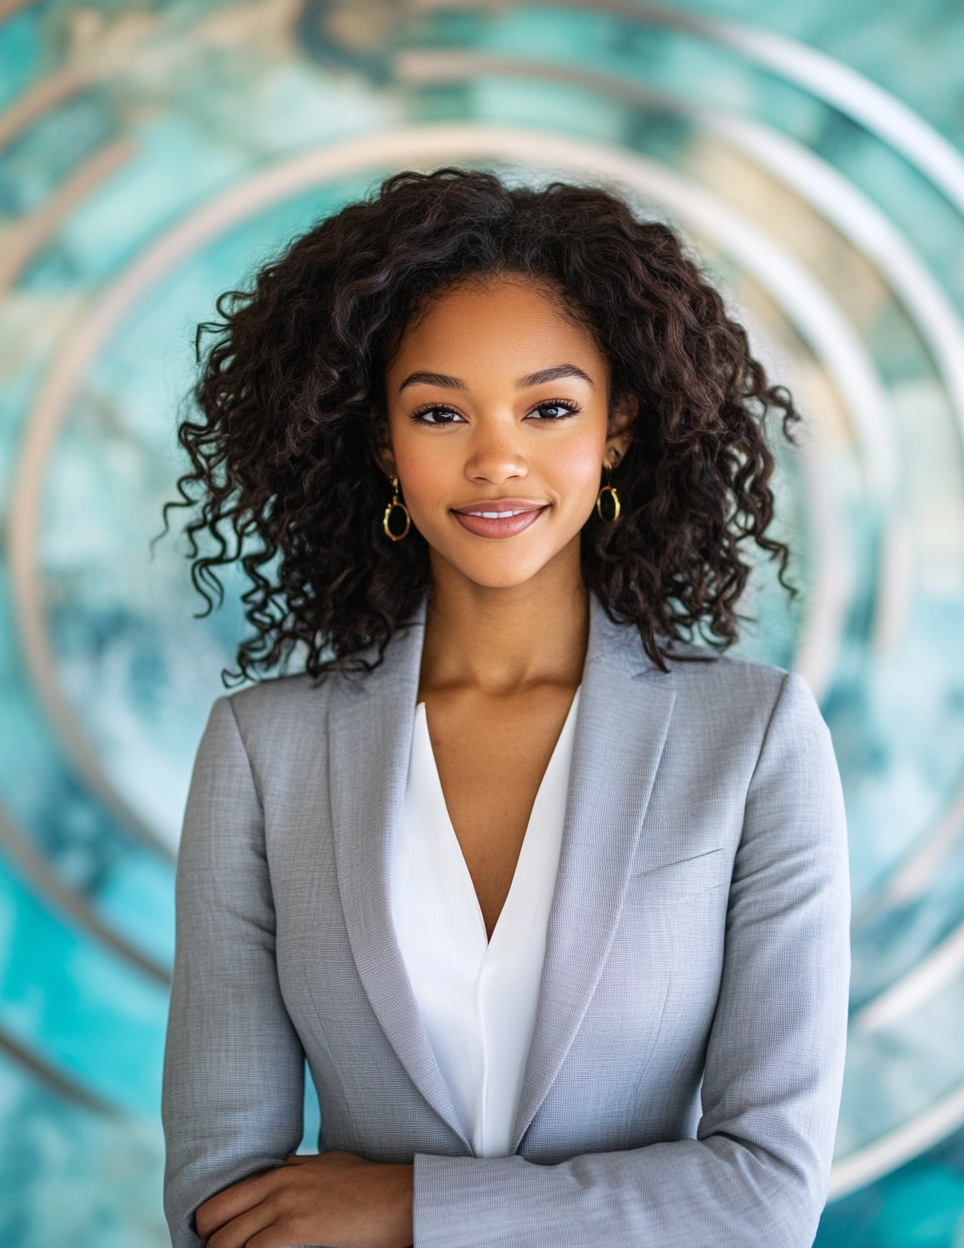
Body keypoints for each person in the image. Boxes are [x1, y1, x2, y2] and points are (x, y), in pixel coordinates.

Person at [162, 169, 850, 1248]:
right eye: (439, 411)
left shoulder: (754, 743)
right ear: (382, 443)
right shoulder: (263, 752)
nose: (495, 459)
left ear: (617, 427)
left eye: (549, 407)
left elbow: (766, 1196)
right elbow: (227, 1203)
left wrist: (404, 1208)